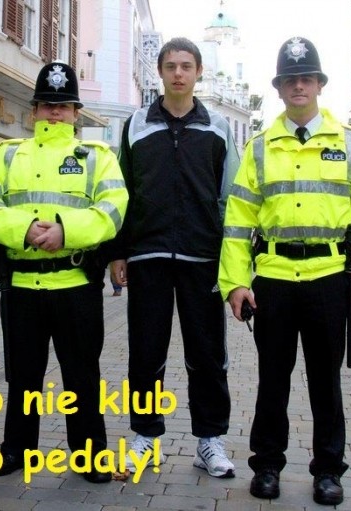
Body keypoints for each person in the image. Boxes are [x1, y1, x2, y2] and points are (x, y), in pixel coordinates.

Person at [218, 36, 351, 505]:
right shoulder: (259, 148)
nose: (299, 86)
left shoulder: (350, 143)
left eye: (306, 78)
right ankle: (267, 466)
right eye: (290, 79)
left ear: (319, 84)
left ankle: (328, 471)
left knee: (326, 381)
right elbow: (237, 222)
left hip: (327, 279)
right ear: (279, 88)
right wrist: (235, 283)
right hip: (274, 279)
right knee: (272, 380)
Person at [0, 61, 128, 481]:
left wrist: (65, 231)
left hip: (76, 285)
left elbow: (112, 210)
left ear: (76, 113)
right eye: (47, 104)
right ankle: (16, 451)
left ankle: (90, 456)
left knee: (82, 377)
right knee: (23, 377)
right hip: (22, 285)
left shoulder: (97, 158)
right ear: (34, 109)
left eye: (63, 106)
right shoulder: (7, 154)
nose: (55, 112)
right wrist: (22, 229)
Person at [108, 37, 240, 479]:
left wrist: (232, 262)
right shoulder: (135, 125)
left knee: (208, 354)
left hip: (202, 259)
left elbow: (231, 198)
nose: (178, 73)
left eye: (186, 66)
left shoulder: (217, 128)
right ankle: (145, 437)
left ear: (198, 72)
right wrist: (118, 252)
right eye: (171, 66)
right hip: (148, 256)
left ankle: (209, 440)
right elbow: (120, 192)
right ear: (160, 72)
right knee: (146, 353)